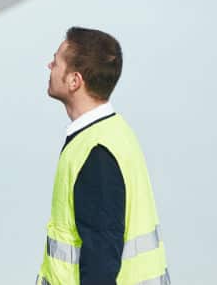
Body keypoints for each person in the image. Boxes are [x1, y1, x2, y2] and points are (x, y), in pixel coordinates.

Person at [36, 27, 169, 285]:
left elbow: (101, 260)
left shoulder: (97, 151)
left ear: (75, 81)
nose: (49, 65)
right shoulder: (110, 135)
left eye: (56, 61)